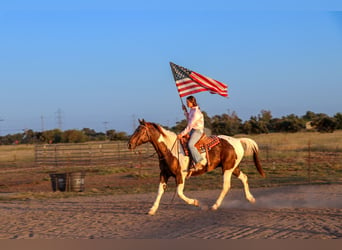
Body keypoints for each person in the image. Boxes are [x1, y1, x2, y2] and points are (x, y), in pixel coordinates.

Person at [177, 96, 206, 172]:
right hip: (192, 130)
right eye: (186, 102)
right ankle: (189, 163)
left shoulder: (196, 112)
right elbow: (189, 119)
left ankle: (199, 162)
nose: (187, 104)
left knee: (190, 144)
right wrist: (185, 111)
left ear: (192, 102)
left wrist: (182, 134)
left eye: (188, 102)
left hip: (197, 131)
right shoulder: (192, 110)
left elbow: (190, 125)